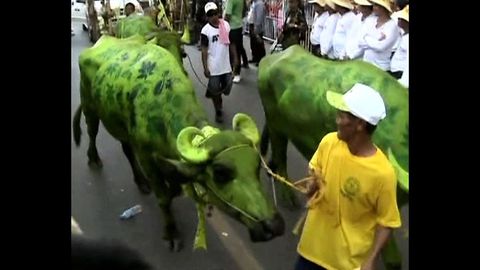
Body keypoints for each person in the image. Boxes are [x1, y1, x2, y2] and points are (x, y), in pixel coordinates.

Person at [294, 83, 402, 270]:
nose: (337, 121)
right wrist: (312, 183)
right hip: (310, 253)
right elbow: (315, 167)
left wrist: (371, 259)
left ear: (360, 124)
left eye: (342, 116)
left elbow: (387, 222)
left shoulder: (383, 173)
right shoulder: (329, 142)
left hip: (346, 264)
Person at [201, 2, 238, 123]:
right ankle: (218, 110)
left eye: (215, 13)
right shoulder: (205, 31)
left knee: (227, 89)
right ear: (207, 17)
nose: (214, 17)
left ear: (219, 13)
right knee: (216, 90)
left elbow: (232, 43)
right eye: (210, 15)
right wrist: (205, 68)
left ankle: (213, 92)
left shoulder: (226, 25)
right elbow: (204, 51)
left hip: (226, 66)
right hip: (214, 68)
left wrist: (236, 59)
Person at [358, 0, 399, 71]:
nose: (373, 7)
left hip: (381, 68)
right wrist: (376, 39)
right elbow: (360, 42)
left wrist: (366, 37)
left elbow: (381, 47)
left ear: (384, 8)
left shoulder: (392, 26)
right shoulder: (370, 20)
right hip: (366, 65)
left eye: (377, 5)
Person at [224, 0, 248, 83]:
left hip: (232, 27)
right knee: (238, 50)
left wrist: (223, 26)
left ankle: (235, 73)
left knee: (233, 52)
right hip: (239, 26)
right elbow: (244, 11)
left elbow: (227, 15)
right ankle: (236, 72)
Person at [389, 5, 408, 79]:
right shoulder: (404, 34)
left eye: (401, 19)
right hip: (395, 71)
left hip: (401, 73)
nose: (398, 20)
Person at [248, 0, 267, 65]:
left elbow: (259, 17)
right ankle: (255, 58)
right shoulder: (254, 3)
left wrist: (256, 27)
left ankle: (261, 59)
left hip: (256, 26)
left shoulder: (259, 4)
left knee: (258, 44)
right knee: (253, 43)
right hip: (252, 25)